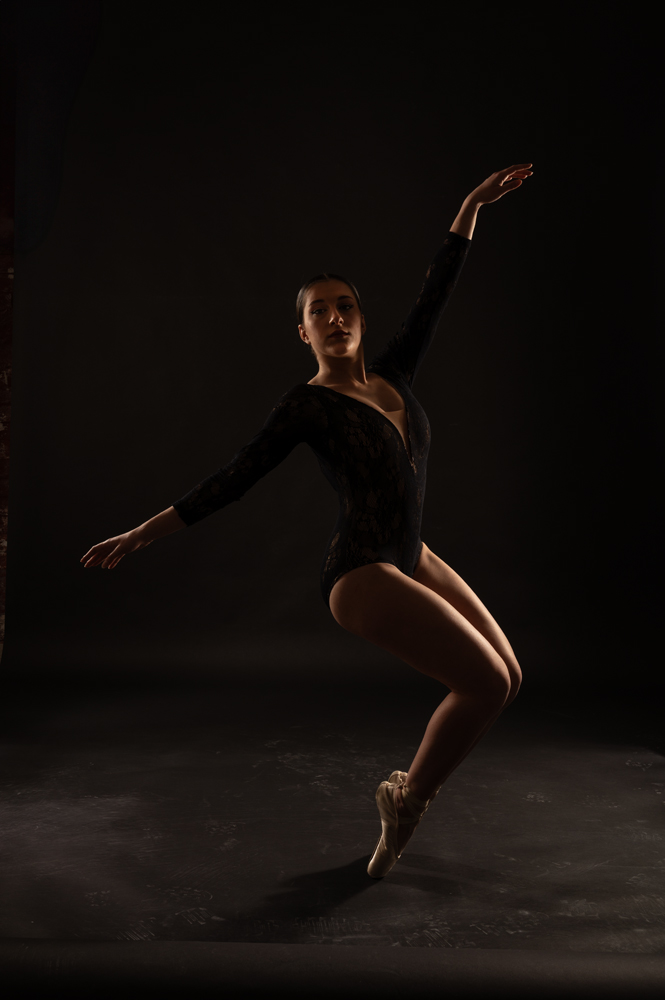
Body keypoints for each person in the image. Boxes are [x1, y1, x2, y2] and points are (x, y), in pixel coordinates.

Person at [81, 163, 533, 878]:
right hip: (362, 570)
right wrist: (142, 533)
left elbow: (436, 289)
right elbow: (233, 479)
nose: (336, 318)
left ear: (362, 319)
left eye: (346, 306)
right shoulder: (306, 406)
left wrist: (471, 204)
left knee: (508, 675)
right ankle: (408, 801)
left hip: (412, 553)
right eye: (319, 311)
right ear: (303, 331)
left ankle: (405, 798)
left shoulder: (394, 375)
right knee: (483, 683)